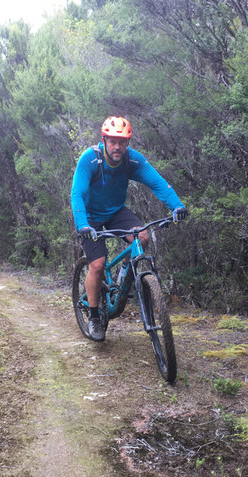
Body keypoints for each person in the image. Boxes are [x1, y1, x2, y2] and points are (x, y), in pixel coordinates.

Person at [71, 116, 187, 342]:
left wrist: (177, 206)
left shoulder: (131, 160)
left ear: (128, 143)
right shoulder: (90, 160)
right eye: (113, 141)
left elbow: (158, 183)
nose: (117, 147)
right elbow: (77, 193)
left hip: (116, 212)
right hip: (90, 217)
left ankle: (122, 277)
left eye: (122, 142)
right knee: (97, 264)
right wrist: (82, 224)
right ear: (104, 140)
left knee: (141, 238)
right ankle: (94, 316)